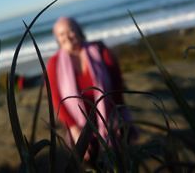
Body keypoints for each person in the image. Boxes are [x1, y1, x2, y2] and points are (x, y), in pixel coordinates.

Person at [47, 17, 136, 159]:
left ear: (79, 31)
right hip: (80, 130)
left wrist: (120, 113)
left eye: (70, 30)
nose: (67, 37)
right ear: (57, 39)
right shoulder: (54, 63)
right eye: (61, 34)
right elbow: (57, 100)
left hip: (110, 122)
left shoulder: (100, 50)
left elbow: (117, 86)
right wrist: (74, 129)